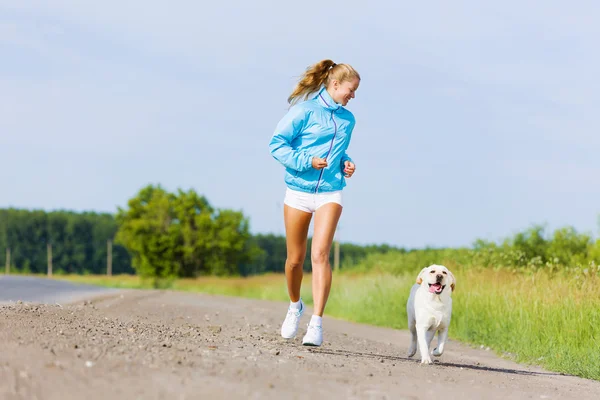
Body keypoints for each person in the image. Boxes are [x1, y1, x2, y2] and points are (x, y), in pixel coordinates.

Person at [268, 59, 360, 346]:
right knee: (295, 260)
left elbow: (340, 152)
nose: (352, 96)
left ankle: (317, 323)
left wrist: (346, 162)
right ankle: (295, 306)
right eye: (351, 90)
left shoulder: (348, 120)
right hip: (298, 190)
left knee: (320, 255)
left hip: (330, 192)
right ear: (335, 85)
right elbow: (277, 144)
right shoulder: (304, 111)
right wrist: (307, 161)